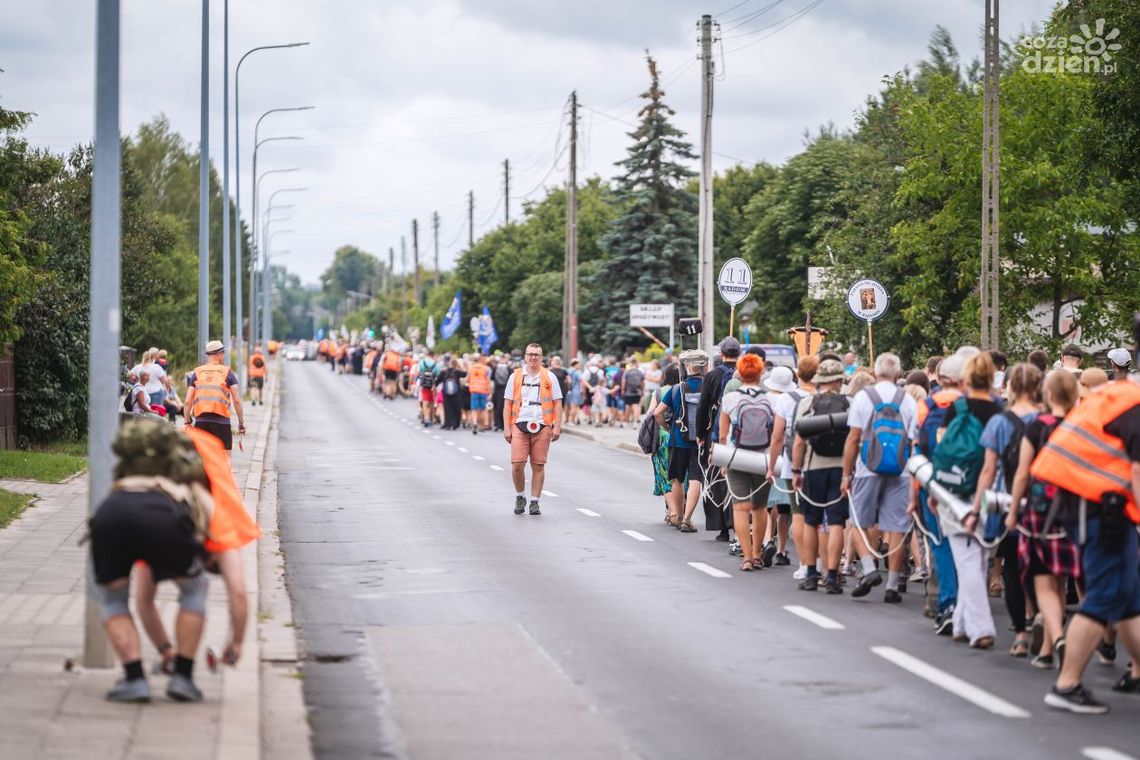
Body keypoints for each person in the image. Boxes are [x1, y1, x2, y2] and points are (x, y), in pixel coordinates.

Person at [1029, 367, 1140, 713]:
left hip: (1084, 502)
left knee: (1130, 596)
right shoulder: (1134, 403)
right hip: (1102, 509)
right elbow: (1137, 471)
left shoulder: (1120, 394)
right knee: (1107, 593)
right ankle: (1067, 685)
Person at [88, 419, 213, 703]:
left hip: (113, 514)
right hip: (166, 517)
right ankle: (183, 676)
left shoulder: (124, 469)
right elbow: (207, 513)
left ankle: (134, 679)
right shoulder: (181, 469)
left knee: (115, 599)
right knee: (193, 590)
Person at [134, 425, 260, 677]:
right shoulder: (219, 523)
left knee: (148, 593)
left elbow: (142, 600)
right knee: (193, 589)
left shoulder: (156, 507)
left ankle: (171, 657)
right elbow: (238, 593)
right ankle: (182, 673)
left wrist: (164, 650)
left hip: (147, 506)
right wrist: (236, 644)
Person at [1007, 368, 1079, 669]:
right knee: (1060, 581)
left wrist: (1013, 511)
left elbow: (1023, 472)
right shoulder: (1079, 426)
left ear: (1048, 395)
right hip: (1073, 509)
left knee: (1042, 582)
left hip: (1040, 509)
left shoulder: (1037, 426)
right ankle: (1048, 646)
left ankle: (1058, 638)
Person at [935, 353, 1003, 648]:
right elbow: (997, 461)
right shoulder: (999, 412)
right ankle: (963, 624)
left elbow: (941, 452)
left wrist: (936, 492)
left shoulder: (956, 409)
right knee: (979, 560)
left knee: (967, 562)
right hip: (989, 492)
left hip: (956, 491)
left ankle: (981, 629)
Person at [974, 362, 1041, 657]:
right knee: (1042, 569)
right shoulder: (1047, 420)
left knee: (1013, 570)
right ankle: (1041, 621)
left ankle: (1022, 635)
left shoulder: (999, 423)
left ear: (1010, 387)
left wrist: (978, 504)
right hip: (1042, 503)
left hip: (1006, 502)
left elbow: (989, 468)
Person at [843, 352, 918, 603]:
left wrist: (847, 473)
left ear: (875, 373)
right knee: (896, 526)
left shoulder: (864, 398)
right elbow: (914, 440)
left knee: (857, 521)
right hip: (901, 469)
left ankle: (869, 568)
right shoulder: (907, 400)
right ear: (898, 374)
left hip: (867, 467)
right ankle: (893, 585)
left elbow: (853, 438)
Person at [913, 355, 965, 631]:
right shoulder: (977, 404)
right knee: (970, 547)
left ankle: (949, 603)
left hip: (932, 482)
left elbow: (916, 448)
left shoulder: (926, 405)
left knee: (940, 543)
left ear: (940, 377)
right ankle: (970, 607)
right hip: (968, 482)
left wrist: (914, 493)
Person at [791, 358, 849, 593]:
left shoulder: (807, 403)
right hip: (840, 468)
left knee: (811, 521)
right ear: (839, 380)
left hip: (813, 467)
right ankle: (833, 576)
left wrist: (796, 471)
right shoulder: (850, 404)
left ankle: (812, 573)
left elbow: (798, 442)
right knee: (836, 522)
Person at [718, 353, 772, 570]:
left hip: (737, 457)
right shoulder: (771, 398)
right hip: (763, 458)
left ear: (739, 373)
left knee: (740, 508)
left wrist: (724, 462)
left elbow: (722, 435)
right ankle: (758, 554)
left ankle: (747, 557)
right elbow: (776, 433)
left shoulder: (730, 399)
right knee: (759, 508)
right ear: (760, 374)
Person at [503, 344, 563, 516]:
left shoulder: (549, 376)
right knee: (517, 464)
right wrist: (507, 427)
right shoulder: (515, 376)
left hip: (542, 424)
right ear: (525, 356)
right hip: (520, 423)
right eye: (530, 354)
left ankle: (535, 501)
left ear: (541, 357)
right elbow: (507, 404)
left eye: (536, 355)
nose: (533, 357)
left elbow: (557, 403)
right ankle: (520, 496)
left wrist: (557, 426)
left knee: (538, 465)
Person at [654, 350, 709, 533]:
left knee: (677, 479)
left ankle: (676, 515)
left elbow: (657, 413)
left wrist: (668, 427)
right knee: (695, 479)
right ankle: (687, 518)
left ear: (687, 367)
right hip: (700, 441)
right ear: (704, 366)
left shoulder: (676, 388)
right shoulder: (709, 388)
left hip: (678, 439)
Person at [184, 340, 245, 452]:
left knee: (203, 458)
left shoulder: (197, 373)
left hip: (201, 422)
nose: (223, 355)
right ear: (218, 354)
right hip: (222, 422)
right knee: (225, 458)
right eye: (223, 353)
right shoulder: (227, 372)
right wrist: (241, 422)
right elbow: (237, 400)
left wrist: (187, 422)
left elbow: (187, 401)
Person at [649, 363, 679, 522]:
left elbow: (652, 413)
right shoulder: (682, 389)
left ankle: (672, 511)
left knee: (664, 473)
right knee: (680, 476)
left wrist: (664, 426)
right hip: (679, 435)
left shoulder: (659, 392)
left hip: (662, 437)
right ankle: (679, 511)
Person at [440, 357, 467, 430]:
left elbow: (437, 381)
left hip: (446, 393)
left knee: (447, 408)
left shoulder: (443, 372)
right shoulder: (457, 372)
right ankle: (455, 424)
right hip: (456, 393)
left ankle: (448, 424)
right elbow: (465, 374)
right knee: (456, 408)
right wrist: (460, 366)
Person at [467, 355, 492, 433]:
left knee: (474, 409)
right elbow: (488, 381)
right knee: (482, 409)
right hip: (483, 391)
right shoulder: (486, 369)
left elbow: (467, 379)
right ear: (482, 360)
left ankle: (474, 423)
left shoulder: (471, 369)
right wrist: (490, 393)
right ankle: (481, 426)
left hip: (474, 390)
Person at [418, 351, 440, 427]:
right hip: (432, 385)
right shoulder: (436, 364)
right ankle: (430, 418)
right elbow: (438, 374)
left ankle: (426, 417)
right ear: (433, 355)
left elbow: (419, 372)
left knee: (425, 401)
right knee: (431, 401)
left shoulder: (422, 362)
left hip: (424, 384)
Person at [492, 354, 511, 432]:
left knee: (498, 408)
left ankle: (498, 425)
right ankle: (502, 425)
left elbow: (492, 378)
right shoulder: (508, 368)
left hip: (498, 390)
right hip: (506, 389)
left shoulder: (496, 367)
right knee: (504, 407)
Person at [622, 361, 645, 425]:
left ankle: (626, 421)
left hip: (628, 392)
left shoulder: (627, 372)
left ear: (631, 364)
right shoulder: (640, 372)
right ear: (636, 364)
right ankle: (635, 421)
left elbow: (623, 381)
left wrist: (623, 390)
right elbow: (642, 382)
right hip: (637, 392)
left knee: (627, 406)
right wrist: (642, 390)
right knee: (636, 406)